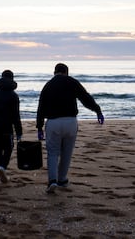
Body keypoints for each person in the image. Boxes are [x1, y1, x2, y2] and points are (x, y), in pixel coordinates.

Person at [36, 63, 104, 193]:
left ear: (54, 72)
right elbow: (85, 98)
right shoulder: (72, 82)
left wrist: (39, 127)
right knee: (67, 152)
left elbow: (41, 108)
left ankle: (52, 181)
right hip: (71, 122)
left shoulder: (48, 85)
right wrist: (97, 111)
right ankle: (62, 179)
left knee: (53, 153)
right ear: (66, 72)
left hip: (53, 122)